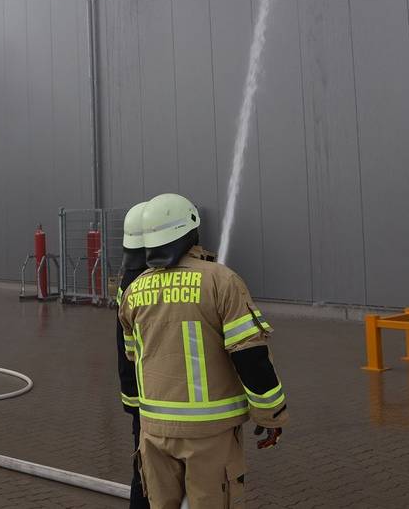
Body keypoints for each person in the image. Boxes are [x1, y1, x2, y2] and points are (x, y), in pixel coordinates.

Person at [118, 193, 288, 509]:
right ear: (191, 231)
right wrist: (271, 414)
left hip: (153, 431)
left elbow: (133, 357)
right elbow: (250, 356)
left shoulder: (134, 290)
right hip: (208, 434)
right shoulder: (221, 281)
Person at [116, 202, 151, 509]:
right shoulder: (148, 281)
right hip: (155, 396)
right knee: (148, 475)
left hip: (135, 390)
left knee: (143, 469)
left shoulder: (129, 279)